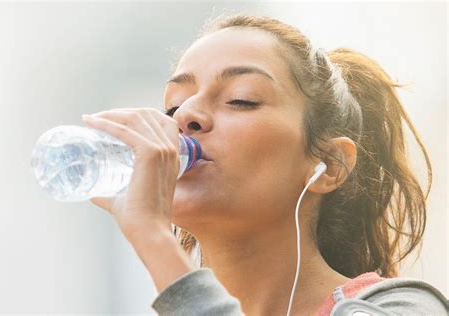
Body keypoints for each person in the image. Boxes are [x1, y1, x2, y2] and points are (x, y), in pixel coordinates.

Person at [81, 14, 448, 315]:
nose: (185, 115)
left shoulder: (404, 307)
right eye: (174, 105)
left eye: (241, 100)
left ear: (330, 164)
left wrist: (153, 237)